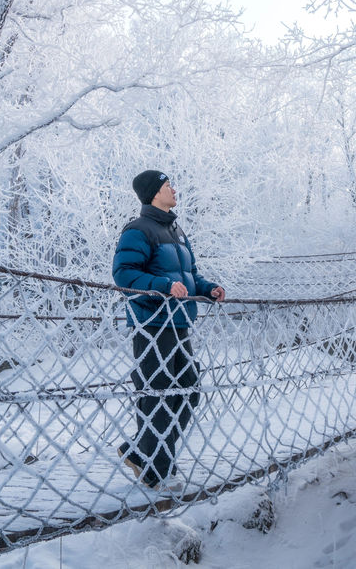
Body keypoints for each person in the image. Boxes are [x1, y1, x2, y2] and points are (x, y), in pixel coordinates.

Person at [112, 169, 225, 492]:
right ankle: (157, 472)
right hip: (151, 324)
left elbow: (189, 276)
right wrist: (161, 285)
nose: (173, 189)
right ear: (152, 193)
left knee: (188, 388)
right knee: (158, 394)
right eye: (166, 186)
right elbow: (124, 274)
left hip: (179, 322)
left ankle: (141, 452)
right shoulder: (137, 230)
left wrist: (209, 289)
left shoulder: (175, 230)